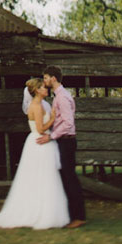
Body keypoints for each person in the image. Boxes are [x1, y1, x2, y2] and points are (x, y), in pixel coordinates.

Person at [0, 77, 70, 230]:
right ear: (37, 91)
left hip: (38, 142)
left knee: (40, 177)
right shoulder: (37, 106)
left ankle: (42, 209)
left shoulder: (39, 104)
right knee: (45, 176)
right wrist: (53, 118)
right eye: (43, 87)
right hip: (40, 142)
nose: (46, 89)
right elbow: (40, 129)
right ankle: (41, 213)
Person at [36, 65, 87, 229]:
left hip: (66, 141)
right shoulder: (59, 96)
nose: (44, 81)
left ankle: (78, 217)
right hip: (62, 141)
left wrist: (51, 136)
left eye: (45, 78)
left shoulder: (62, 97)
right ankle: (72, 215)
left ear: (53, 78)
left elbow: (68, 123)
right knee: (66, 178)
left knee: (70, 178)